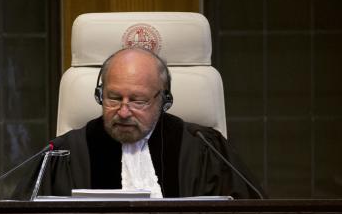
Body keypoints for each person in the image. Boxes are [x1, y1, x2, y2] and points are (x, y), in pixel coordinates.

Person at [14, 47, 264, 199]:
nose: (123, 112)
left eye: (138, 101)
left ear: (163, 99)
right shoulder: (63, 154)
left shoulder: (204, 148)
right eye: (113, 98)